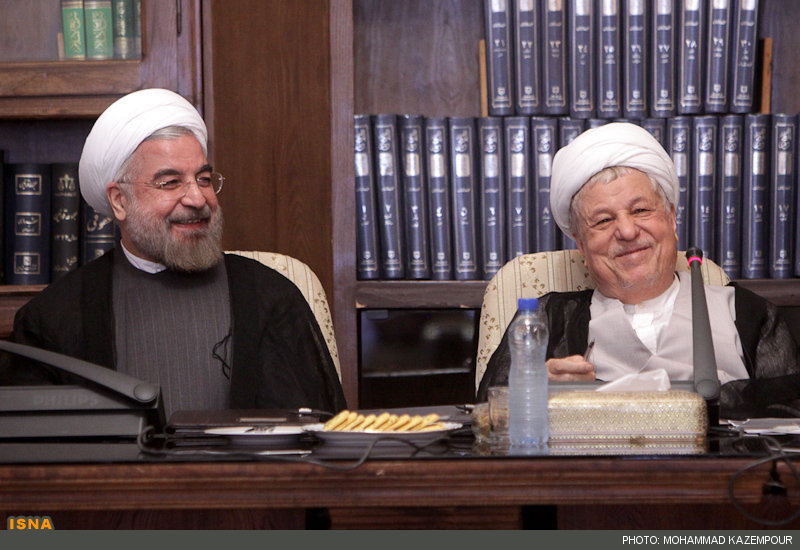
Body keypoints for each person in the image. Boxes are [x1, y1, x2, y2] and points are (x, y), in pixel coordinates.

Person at [2, 88, 346, 417]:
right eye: (170, 182)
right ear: (119, 201)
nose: (197, 198)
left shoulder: (271, 295)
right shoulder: (54, 318)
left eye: (204, 179)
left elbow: (318, 434)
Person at [478, 122, 800, 418]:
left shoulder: (747, 313)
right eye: (603, 220)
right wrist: (531, 392)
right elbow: (487, 417)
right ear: (581, 245)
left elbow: (790, 417)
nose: (627, 231)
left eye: (641, 210)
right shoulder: (546, 319)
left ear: (671, 219)